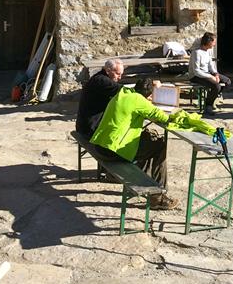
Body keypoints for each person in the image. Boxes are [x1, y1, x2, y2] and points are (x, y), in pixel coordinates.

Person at [89, 77, 220, 208]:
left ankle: (145, 182)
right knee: (159, 146)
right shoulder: (139, 101)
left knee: (147, 138)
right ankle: (158, 197)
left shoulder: (124, 92)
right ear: (149, 95)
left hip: (100, 145)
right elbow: (163, 117)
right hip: (112, 152)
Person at [76, 59, 126, 143]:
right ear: (108, 70)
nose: (120, 77)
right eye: (117, 74)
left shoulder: (99, 77)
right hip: (90, 129)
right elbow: (123, 91)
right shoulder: (101, 80)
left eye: (121, 74)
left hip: (85, 126)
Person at [185, 32, 230, 115]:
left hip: (207, 74)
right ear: (209, 42)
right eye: (214, 42)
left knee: (227, 81)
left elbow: (211, 65)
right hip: (196, 76)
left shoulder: (208, 51)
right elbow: (196, 71)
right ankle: (208, 105)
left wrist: (215, 74)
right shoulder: (196, 53)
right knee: (216, 86)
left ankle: (213, 98)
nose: (214, 44)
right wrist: (210, 77)